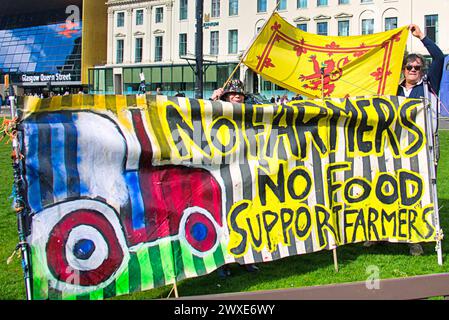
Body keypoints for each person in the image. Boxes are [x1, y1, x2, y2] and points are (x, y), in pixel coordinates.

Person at [365, 24, 445, 257]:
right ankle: (379, 233)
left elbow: (439, 57)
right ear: (403, 70)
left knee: (420, 192)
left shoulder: (430, 84)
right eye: (409, 67)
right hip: (396, 146)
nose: (413, 70)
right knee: (387, 187)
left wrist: (422, 37)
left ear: (422, 70)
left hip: (426, 146)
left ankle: (415, 239)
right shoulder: (393, 90)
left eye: (417, 67)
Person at [211, 79, 260, 278]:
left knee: (246, 216)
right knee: (223, 218)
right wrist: (211, 100)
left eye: (239, 94)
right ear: (225, 96)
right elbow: (198, 119)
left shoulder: (249, 113)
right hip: (222, 173)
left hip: (245, 172)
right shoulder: (216, 110)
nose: (237, 96)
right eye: (233, 94)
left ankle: (246, 258)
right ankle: (223, 263)